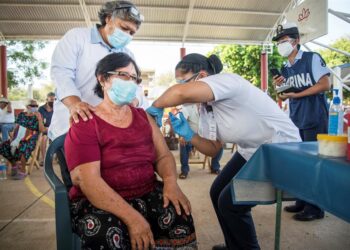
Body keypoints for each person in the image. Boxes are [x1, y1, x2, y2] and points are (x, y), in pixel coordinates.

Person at [146, 53, 301, 250]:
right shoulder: (205, 108)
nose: (181, 87)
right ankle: (233, 244)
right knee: (216, 191)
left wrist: (156, 105)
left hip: (280, 149)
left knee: (231, 203)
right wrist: (189, 134)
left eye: (183, 82)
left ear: (202, 76)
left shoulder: (226, 81)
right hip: (252, 150)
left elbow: (180, 93)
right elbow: (213, 149)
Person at [64, 53, 197, 250]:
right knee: (107, 233)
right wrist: (133, 218)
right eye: (123, 75)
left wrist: (170, 182)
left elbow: (163, 155)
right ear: (103, 79)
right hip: (102, 202)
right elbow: (88, 181)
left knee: (180, 213)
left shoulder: (143, 117)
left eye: (134, 78)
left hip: (146, 191)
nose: (130, 82)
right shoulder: (86, 122)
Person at [49, 0, 147, 140]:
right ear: (108, 18)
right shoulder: (77, 38)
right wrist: (75, 104)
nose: (127, 35)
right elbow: (61, 75)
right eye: (124, 28)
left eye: (132, 33)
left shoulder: (128, 55)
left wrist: (135, 100)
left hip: (110, 132)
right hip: (72, 126)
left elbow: (137, 87)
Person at [272, 22, 331, 222]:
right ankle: (302, 200)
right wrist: (278, 88)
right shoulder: (285, 68)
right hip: (296, 118)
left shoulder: (311, 58)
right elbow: (283, 98)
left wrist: (298, 95)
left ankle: (316, 208)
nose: (281, 44)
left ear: (296, 41)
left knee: (314, 163)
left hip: (315, 116)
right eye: (279, 42)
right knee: (300, 162)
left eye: (284, 40)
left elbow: (325, 84)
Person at [0, 99, 46, 180]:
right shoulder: (22, 114)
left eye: (36, 106)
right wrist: (13, 138)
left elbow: (42, 130)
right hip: (19, 137)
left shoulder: (38, 115)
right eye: (33, 106)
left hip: (31, 138)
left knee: (23, 146)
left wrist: (39, 119)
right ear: (28, 106)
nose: (35, 107)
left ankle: (23, 170)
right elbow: (16, 127)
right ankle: (14, 164)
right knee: (3, 146)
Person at [178, 103, 223, 179]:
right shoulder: (187, 106)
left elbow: (217, 122)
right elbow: (183, 122)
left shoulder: (211, 106)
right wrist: (183, 135)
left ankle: (215, 167)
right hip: (192, 136)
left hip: (206, 137)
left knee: (220, 145)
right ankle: (184, 170)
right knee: (183, 143)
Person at [38, 92, 55, 166]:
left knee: (57, 138)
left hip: (53, 129)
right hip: (44, 128)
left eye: (54, 100)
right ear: (47, 99)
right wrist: (45, 128)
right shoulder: (41, 109)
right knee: (43, 138)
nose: (53, 101)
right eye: (51, 99)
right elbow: (39, 121)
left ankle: (56, 157)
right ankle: (44, 158)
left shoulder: (56, 108)